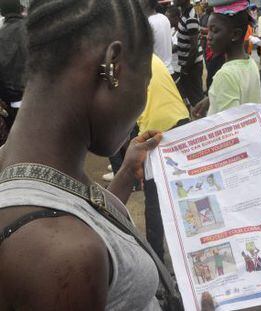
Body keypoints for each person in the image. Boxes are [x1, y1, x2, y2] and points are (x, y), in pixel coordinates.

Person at [0, 0, 165, 309]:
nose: (141, 105)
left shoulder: (26, 164)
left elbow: (70, 206)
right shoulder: (62, 256)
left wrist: (126, 175)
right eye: (145, 82)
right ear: (113, 66)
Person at [139, 54, 190, 261]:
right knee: (183, 193)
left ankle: (157, 260)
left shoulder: (124, 60)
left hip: (154, 131)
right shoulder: (150, 56)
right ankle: (191, 251)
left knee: (153, 200)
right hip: (181, 120)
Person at [193, 4, 261, 117]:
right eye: (208, 30)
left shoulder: (225, 75)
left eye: (214, 31)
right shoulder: (250, 63)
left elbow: (231, 129)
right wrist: (212, 98)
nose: (208, 37)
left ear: (235, 34)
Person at [0, 0, 27, 132]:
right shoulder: (33, 29)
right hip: (35, 93)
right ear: (19, 9)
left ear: (2, 12)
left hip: (10, 96)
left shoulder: (1, 35)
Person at [176, 0, 204, 106]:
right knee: (189, 97)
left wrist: (186, 70)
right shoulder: (185, 14)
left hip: (192, 66)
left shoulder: (190, 18)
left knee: (197, 100)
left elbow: (194, 48)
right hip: (189, 65)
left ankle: (203, 121)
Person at [141, 0, 174, 74]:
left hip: (157, 72)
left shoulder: (148, 23)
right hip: (169, 70)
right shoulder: (164, 18)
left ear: (146, 2)